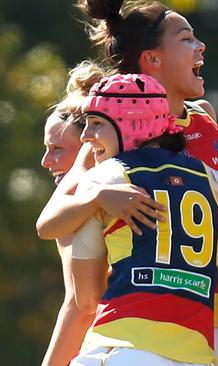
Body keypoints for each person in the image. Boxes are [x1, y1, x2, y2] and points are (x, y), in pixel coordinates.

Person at [36, 1, 218, 362]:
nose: (201, 46)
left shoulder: (205, 117)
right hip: (142, 331)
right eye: (187, 39)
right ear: (152, 59)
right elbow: (54, 234)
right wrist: (99, 195)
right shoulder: (109, 144)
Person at [67, 73, 218, 365]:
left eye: (96, 124)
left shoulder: (104, 180)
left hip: (122, 346)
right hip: (197, 354)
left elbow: (87, 299)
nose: (85, 136)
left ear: (130, 123)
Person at [40, 61, 105, 366]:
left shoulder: (74, 209)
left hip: (112, 344)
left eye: (56, 149)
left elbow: (80, 308)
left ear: (86, 146)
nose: (45, 161)